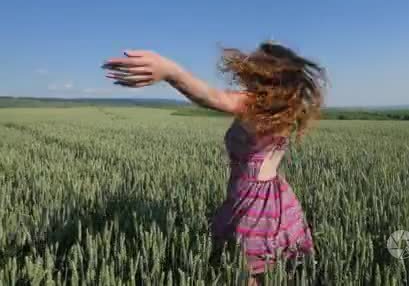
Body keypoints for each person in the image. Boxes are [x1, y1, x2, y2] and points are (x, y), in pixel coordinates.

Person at [103, 42, 327, 284]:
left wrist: (170, 71)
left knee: (248, 275)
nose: (248, 62)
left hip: (253, 205)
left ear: (267, 71)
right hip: (275, 197)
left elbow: (212, 97)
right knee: (262, 272)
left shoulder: (255, 105)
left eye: (256, 61)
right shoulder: (284, 109)